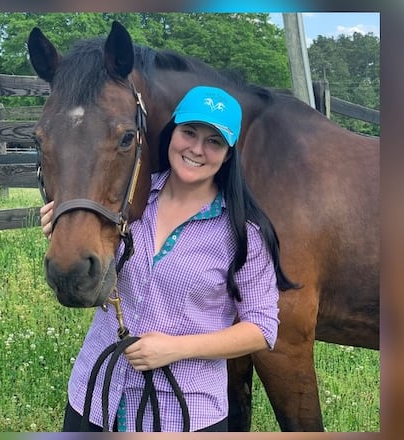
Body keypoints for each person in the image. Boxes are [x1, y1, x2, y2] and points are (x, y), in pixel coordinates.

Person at [39, 85, 298, 432]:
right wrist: (66, 231)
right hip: (96, 397)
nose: (197, 149)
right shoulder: (128, 203)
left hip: (182, 412)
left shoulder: (243, 233)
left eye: (214, 141)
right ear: (171, 133)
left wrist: (176, 348)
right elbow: (95, 267)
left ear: (227, 155)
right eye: (189, 132)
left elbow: (262, 329)